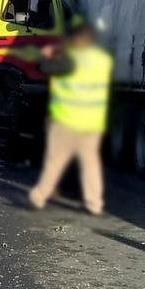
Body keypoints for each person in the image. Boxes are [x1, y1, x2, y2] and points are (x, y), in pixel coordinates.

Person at [29, 23, 113, 215]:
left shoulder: (69, 58)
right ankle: (95, 204)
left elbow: (46, 68)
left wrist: (47, 54)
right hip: (92, 122)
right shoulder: (102, 60)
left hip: (66, 120)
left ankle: (40, 195)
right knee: (90, 163)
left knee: (55, 160)